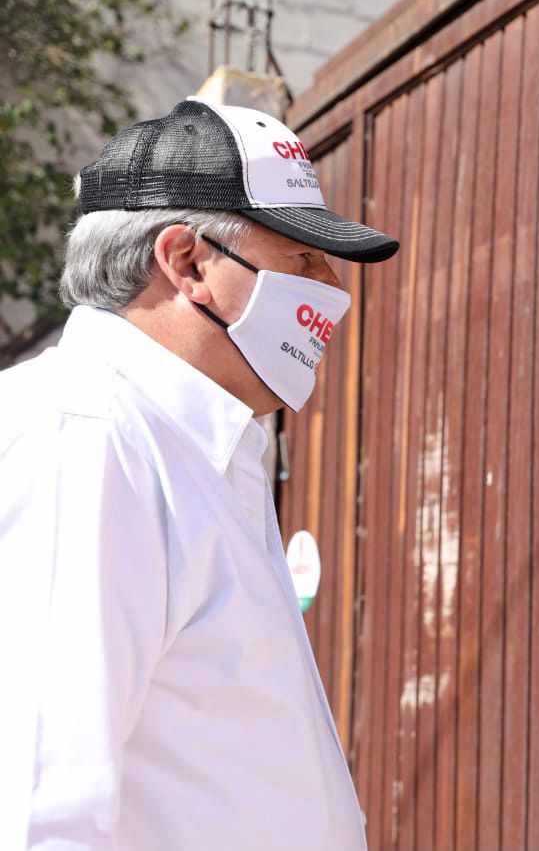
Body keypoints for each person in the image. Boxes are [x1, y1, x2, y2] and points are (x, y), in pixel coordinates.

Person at [0, 98, 398, 851]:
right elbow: (33, 812)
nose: (333, 292)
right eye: (304, 259)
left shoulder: (202, 449)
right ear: (187, 263)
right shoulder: (86, 437)